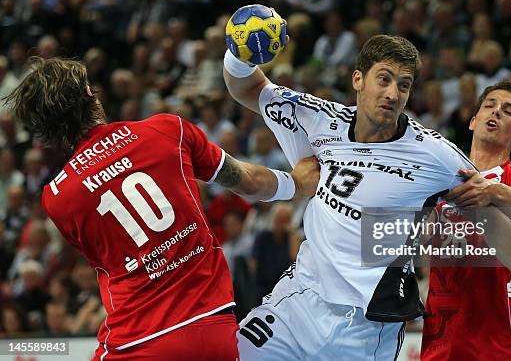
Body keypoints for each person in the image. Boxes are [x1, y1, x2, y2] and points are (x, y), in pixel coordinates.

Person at [224, 28, 511, 359]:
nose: (392, 93)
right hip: (298, 304)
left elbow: (497, 224)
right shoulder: (319, 118)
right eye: (384, 79)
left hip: (367, 329)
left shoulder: (438, 157)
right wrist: (239, 51)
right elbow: (249, 88)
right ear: (358, 79)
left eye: (403, 85)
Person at [3, 57, 320, 360]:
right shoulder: (168, 129)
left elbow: (108, 260)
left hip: (138, 340)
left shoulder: (58, 197)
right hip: (214, 328)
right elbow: (247, 181)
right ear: (91, 95)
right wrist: (294, 183)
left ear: (46, 132)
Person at [421, 79, 511, 359]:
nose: (495, 112)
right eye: (490, 106)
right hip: (442, 342)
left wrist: (490, 190)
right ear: (472, 121)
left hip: (504, 341)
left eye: (508, 111)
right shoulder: (438, 179)